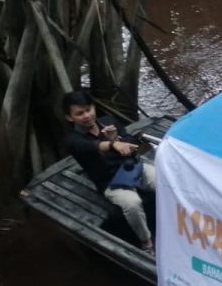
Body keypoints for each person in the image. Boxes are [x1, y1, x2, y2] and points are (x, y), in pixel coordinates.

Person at [62, 90, 157, 254]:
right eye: (79, 113)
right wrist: (112, 144)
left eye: (88, 109)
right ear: (70, 118)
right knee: (132, 204)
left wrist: (118, 139)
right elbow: (92, 147)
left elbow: (131, 144)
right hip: (110, 181)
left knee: (164, 180)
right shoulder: (72, 139)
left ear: (93, 107)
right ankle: (146, 242)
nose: (86, 115)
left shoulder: (108, 121)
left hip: (132, 167)